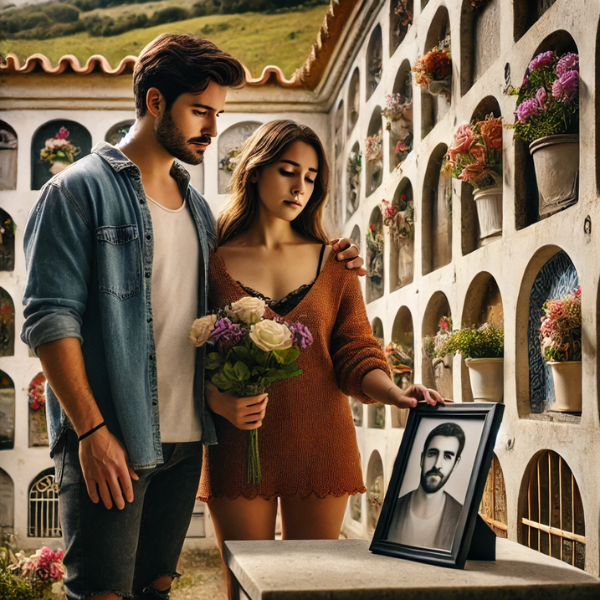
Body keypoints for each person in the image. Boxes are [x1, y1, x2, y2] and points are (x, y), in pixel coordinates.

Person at [20, 35, 364, 600]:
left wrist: (333, 255)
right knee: (103, 592)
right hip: (113, 441)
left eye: (218, 114)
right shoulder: (76, 191)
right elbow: (49, 320)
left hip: (185, 447)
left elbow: (220, 309)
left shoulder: (200, 210)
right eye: (199, 110)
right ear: (156, 102)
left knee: (156, 589)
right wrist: (91, 431)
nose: (210, 126)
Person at [197, 120, 446, 596]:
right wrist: (214, 398)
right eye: (288, 171)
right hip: (236, 444)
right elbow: (182, 351)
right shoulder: (209, 260)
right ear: (254, 171)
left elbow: (354, 348)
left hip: (322, 441)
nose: (300, 187)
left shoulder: (335, 263)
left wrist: (394, 392)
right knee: (242, 591)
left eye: (311, 177)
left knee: (310, 589)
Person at [386, 422, 465, 550]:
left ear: (456, 464)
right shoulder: (393, 509)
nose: (437, 465)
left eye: (447, 456)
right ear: (422, 458)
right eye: (432, 454)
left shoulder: (461, 517)